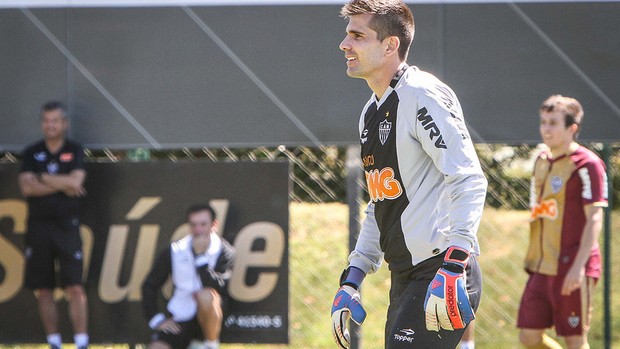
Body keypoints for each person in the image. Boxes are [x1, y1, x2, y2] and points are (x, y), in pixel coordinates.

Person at [330, 1, 487, 348]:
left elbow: (468, 178)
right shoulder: (371, 111)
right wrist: (352, 278)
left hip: (441, 268)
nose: (345, 44)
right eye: (347, 35)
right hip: (405, 275)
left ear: (390, 46)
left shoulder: (422, 94)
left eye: (358, 35)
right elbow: (380, 201)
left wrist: (454, 264)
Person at [517, 95, 607, 349]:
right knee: (528, 336)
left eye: (553, 123)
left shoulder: (587, 164)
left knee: (575, 340)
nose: (546, 128)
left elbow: (595, 218)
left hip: (573, 267)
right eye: (543, 122)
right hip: (543, 267)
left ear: (572, 128)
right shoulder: (541, 161)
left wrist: (579, 266)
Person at [17, 101, 89, 349]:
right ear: (42, 124)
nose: (51, 125)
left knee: (75, 288)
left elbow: (77, 180)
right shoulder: (31, 152)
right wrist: (63, 183)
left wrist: (41, 177)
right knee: (44, 289)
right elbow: (26, 187)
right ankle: (54, 342)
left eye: (55, 120)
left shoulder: (75, 149)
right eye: (46, 120)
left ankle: (81, 342)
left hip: (67, 226)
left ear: (65, 123)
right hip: (38, 228)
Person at [142, 204, 235, 349]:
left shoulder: (224, 251)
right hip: (179, 319)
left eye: (203, 224)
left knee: (205, 295)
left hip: (210, 323)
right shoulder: (175, 250)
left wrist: (201, 258)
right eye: (194, 225)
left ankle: (210, 346)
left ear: (214, 225)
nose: (198, 230)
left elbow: (220, 287)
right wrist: (157, 319)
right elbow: (149, 285)